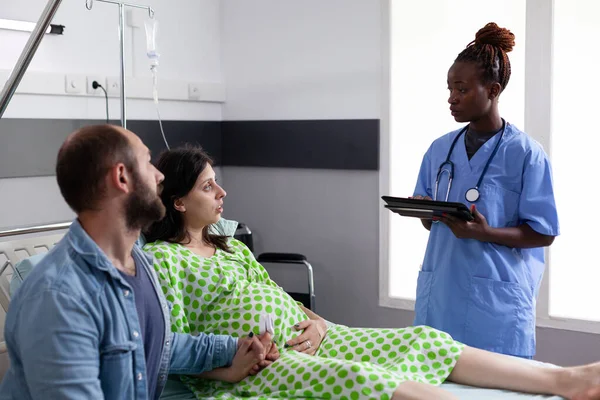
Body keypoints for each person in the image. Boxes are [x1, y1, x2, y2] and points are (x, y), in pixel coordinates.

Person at [142, 145, 600, 400]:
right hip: (258, 366)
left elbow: (278, 298)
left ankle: (569, 380)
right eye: (208, 186)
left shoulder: (229, 248)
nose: (222, 191)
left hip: (312, 337)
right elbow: (171, 349)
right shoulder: (164, 260)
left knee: (423, 339)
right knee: (362, 380)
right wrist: (233, 370)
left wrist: (319, 323)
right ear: (179, 201)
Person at [0, 125, 277, 400]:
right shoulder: (59, 296)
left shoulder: (138, 265)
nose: (160, 177)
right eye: (147, 162)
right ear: (122, 177)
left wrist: (236, 349)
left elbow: (161, 342)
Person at [411, 22, 559, 358]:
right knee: (435, 383)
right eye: (449, 89)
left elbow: (543, 233)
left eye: (461, 90)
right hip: (442, 296)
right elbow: (430, 222)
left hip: (496, 304)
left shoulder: (526, 154)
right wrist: (424, 209)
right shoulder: (439, 150)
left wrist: (485, 232)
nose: (452, 99)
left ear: (492, 90)